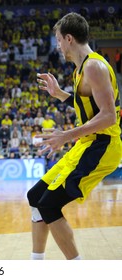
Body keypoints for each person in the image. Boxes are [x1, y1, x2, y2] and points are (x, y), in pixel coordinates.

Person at [27, 12, 122, 260]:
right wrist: (60, 94)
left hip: (102, 146)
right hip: (87, 144)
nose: (57, 46)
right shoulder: (80, 70)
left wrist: (66, 135)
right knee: (35, 198)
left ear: (69, 38)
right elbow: (86, 109)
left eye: (58, 40)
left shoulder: (94, 66)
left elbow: (109, 116)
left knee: (49, 204)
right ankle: (35, 265)